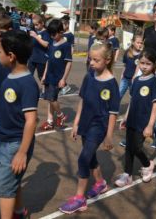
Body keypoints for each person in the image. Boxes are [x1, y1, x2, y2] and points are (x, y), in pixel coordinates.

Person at [58, 42, 120, 214]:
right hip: (85, 122)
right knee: (90, 155)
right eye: (90, 59)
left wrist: (109, 136)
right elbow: (83, 100)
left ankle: (79, 198)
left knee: (83, 158)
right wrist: (76, 123)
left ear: (107, 60)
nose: (91, 63)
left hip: (99, 127)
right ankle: (100, 183)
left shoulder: (112, 84)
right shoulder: (89, 77)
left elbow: (113, 112)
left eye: (95, 60)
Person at [0, 30, 39, 219]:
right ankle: (18, 212)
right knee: (9, 182)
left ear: (11, 56)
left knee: (4, 188)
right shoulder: (10, 77)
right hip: (2, 139)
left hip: (16, 144)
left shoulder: (28, 84)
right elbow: (6, 106)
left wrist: (22, 153)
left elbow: (31, 120)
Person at [115, 48, 156, 186]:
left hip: (143, 122)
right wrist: (126, 117)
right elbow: (132, 101)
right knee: (129, 147)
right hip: (132, 120)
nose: (144, 66)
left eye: (148, 64)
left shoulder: (154, 83)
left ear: (154, 65)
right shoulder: (136, 80)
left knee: (137, 148)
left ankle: (147, 165)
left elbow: (155, 106)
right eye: (142, 63)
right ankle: (128, 175)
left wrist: (150, 125)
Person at [40, 19, 72, 131]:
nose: (52, 36)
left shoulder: (66, 45)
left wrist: (64, 79)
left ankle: (60, 115)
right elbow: (48, 61)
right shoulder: (52, 43)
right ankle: (50, 121)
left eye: (54, 34)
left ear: (60, 31)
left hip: (58, 77)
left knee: (52, 99)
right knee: (49, 99)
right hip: (49, 75)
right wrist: (44, 75)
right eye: (51, 34)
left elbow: (69, 63)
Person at [119, 33, 143, 99]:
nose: (140, 45)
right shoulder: (127, 52)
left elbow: (139, 68)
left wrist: (135, 77)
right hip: (125, 78)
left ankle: (129, 109)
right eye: (138, 43)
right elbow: (125, 65)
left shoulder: (142, 55)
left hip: (134, 80)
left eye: (141, 43)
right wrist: (122, 74)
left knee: (132, 97)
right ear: (133, 42)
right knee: (119, 94)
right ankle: (113, 108)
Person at [27, 15, 49, 84]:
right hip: (32, 58)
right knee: (28, 75)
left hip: (41, 59)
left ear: (42, 23)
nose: (35, 27)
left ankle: (45, 90)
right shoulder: (34, 31)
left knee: (41, 77)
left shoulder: (46, 33)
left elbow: (46, 44)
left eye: (37, 25)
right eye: (34, 25)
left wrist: (36, 36)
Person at [60, 15, 75, 95]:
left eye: (62, 24)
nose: (61, 26)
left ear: (67, 25)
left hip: (66, 57)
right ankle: (63, 85)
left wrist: (70, 57)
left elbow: (72, 46)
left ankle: (65, 86)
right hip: (60, 56)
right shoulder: (61, 34)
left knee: (63, 73)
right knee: (59, 72)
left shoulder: (70, 35)